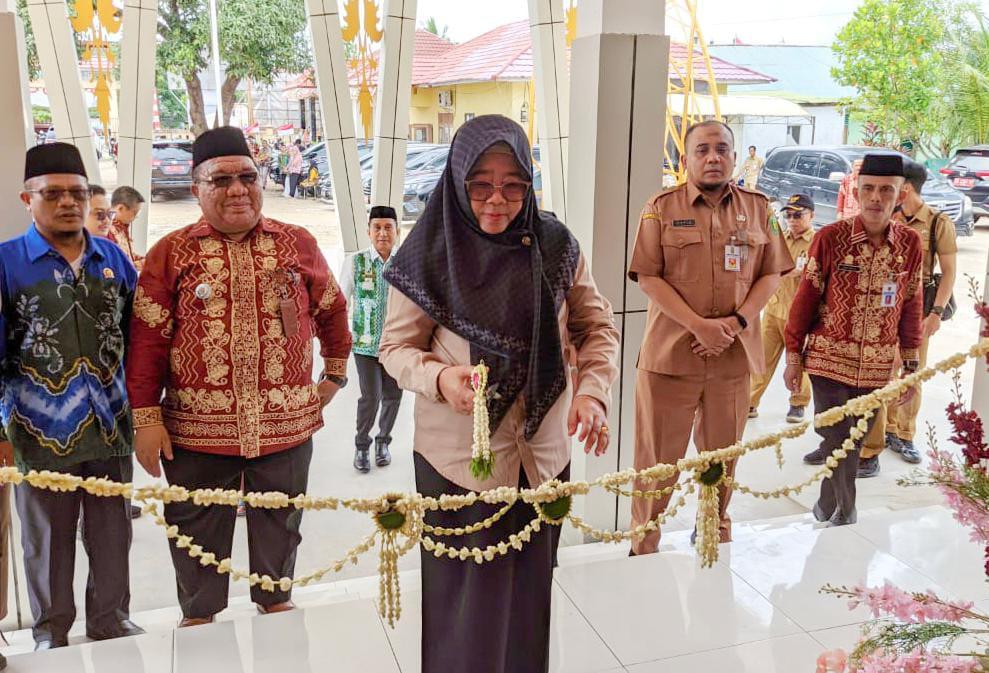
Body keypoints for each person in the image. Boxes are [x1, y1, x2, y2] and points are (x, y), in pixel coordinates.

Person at [378, 115, 619, 673]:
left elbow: (596, 327)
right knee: (465, 612)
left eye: (513, 184)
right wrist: (441, 378)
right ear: (457, 181)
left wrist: (592, 394)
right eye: (481, 183)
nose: (496, 200)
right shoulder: (429, 254)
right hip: (460, 465)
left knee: (530, 603)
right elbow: (394, 349)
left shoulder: (556, 245)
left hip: (543, 461)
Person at [125, 126, 352, 626]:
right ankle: (200, 618)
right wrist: (145, 419)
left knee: (281, 525)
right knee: (194, 530)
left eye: (247, 176)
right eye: (221, 179)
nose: (237, 190)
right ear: (196, 189)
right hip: (196, 430)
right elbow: (146, 342)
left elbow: (334, 311)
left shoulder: (298, 242)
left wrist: (333, 378)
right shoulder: (172, 252)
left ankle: (276, 607)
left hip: (286, 425)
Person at [627, 120, 792, 556]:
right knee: (656, 463)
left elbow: (772, 273)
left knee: (722, 458)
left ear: (735, 158)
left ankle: (714, 535)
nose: (713, 157)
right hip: (669, 359)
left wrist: (734, 324)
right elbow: (647, 275)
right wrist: (699, 326)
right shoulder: (660, 207)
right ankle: (644, 544)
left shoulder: (760, 210)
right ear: (686, 160)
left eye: (722, 149)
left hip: (731, 359)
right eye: (702, 150)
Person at [0, 143, 142, 649]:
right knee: (49, 542)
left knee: (112, 535)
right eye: (53, 193)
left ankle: (111, 620)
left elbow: (138, 340)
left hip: (110, 427)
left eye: (77, 193)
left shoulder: (113, 261)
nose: (67, 203)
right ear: (27, 197)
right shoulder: (8, 263)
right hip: (38, 434)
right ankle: (50, 632)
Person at [784, 153, 923, 526]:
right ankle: (847, 510)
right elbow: (805, 300)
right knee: (834, 437)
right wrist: (793, 357)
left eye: (886, 190)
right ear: (857, 192)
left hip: (878, 366)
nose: (876, 198)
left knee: (855, 441)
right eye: (869, 189)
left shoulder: (910, 245)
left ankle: (826, 506)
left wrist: (911, 365)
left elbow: (911, 304)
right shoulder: (832, 238)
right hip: (828, 360)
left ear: (901, 194)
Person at [857, 159, 957, 477]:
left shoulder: (938, 222)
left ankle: (904, 434)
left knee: (912, 372)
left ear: (906, 188)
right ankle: (880, 433)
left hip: (919, 308)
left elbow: (950, 271)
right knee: (882, 369)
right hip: (886, 308)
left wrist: (936, 313)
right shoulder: (889, 217)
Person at [340, 206, 402, 473]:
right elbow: (340, 302)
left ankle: (383, 442)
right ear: (369, 231)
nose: (382, 233)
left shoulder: (405, 264)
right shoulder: (355, 262)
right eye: (377, 227)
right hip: (364, 344)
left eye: (388, 227)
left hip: (398, 346)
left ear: (397, 232)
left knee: (393, 396)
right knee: (371, 397)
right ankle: (362, 445)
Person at [748, 193, 816, 423]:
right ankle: (750, 400)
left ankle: (798, 403)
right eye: (788, 215)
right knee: (761, 360)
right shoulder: (780, 237)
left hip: (800, 314)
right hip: (774, 308)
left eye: (798, 215)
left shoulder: (816, 242)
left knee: (798, 362)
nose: (792, 220)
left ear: (811, 215)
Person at [109, 186, 146, 270]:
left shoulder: (121, 228)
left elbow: (129, 256)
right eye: (135, 212)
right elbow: (115, 266)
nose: (136, 216)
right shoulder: (108, 231)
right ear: (120, 208)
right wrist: (140, 264)